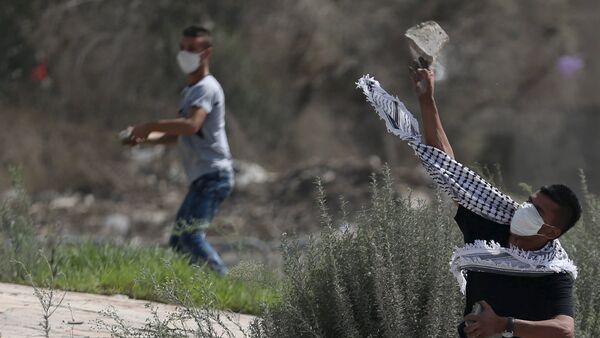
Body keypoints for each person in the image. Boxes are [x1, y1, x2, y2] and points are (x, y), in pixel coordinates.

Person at [410, 66, 580, 338]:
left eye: (537, 210)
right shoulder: (490, 226)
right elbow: (450, 172)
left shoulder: (552, 271)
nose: (524, 209)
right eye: (529, 201)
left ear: (551, 232)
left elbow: (564, 329)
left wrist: (505, 325)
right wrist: (427, 100)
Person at [123, 25, 233, 275]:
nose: (185, 54)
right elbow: (177, 135)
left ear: (206, 53)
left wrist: (149, 125)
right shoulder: (190, 91)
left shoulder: (206, 87)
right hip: (202, 176)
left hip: (214, 175)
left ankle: (226, 284)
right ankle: (187, 290)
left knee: (191, 236)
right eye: (182, 48)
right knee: (178, 240)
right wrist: (143, 138)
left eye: (192, 49)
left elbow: (192, 125)